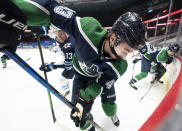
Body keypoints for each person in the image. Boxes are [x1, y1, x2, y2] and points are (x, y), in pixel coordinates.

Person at [0, 1, 146, 131]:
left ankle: (112, 114)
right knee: (79, 116)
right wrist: (13, 13)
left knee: (108, 102)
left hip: (98, 81)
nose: (126, 56)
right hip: (80, 77)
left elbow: (98, 85)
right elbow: (52, 11)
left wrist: (86, 99)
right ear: (113, 37)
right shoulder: (88, 30)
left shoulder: (121, 66)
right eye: (126, 50)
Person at [39, 29, 75, 96]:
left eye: (62, 33)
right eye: (57, 33)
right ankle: (67, 91)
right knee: (62, 80)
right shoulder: (62, 40)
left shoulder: (69, 46)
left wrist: (52, 66)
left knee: (64, 80)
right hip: (74, 62)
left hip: (79, 64)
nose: (59, 35)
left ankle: (69, 92)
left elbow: (69, 65)